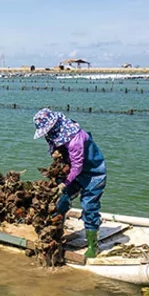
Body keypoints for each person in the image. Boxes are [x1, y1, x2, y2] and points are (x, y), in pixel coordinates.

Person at [33, 108, 107, 258]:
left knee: (89, 206)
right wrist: (54, 152)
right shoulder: (58, 131)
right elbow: (57, 149)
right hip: (73, 174)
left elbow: (77, 166)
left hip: (94, 174)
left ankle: (93, 245)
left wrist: (64, 184)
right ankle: (55, 232)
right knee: (61, 200)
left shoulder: (75, 140)